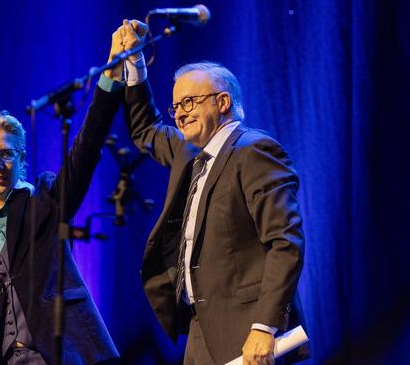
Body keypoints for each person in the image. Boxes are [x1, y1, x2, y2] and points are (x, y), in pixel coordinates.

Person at [102, 20, 311, 365]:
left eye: (189, 102)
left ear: (223, 101)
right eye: (177, 107)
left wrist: (265, 325)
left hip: (249, 331)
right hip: (201, 328)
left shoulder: (254, 151)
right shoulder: (189, 154)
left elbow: (285, 243)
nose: (180, 114)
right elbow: (145, 130)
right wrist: (135, 65)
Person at [0, 35, 128, 364]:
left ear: (20, 158)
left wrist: (110, 78)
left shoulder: (43, 201)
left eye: (6, 154)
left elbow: (85, 152)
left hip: (62, 353)